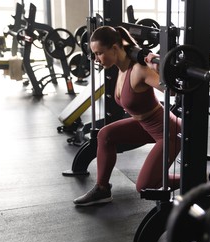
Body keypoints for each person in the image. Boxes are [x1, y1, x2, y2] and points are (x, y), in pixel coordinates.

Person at [73, 25, 182, 206]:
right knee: (105, 134)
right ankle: (102, 189)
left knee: (144, 186)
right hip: (145, 125)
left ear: (115, 48)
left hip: (168, 133)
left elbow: (170, 89)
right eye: (94, 54)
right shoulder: (121, 68)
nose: (96, 59)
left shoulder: (139, 70)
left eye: (99, 53)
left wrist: (156, 64)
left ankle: (197, 178)